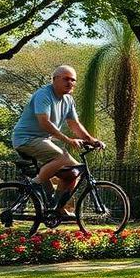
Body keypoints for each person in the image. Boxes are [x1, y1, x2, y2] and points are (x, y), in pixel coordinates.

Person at [10, 65, 104, 211]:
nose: (70, 83)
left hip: (44, 141)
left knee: (74, 172)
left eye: (73, 80)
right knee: (62, 155)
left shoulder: (68, 100)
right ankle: (33, 184)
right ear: (54, 80)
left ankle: (57, 209)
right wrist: (68, 140)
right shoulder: (44, 94)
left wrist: (92, 140)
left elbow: (74, 124)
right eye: (66, 79)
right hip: (26, 139)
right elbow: (44, 123)